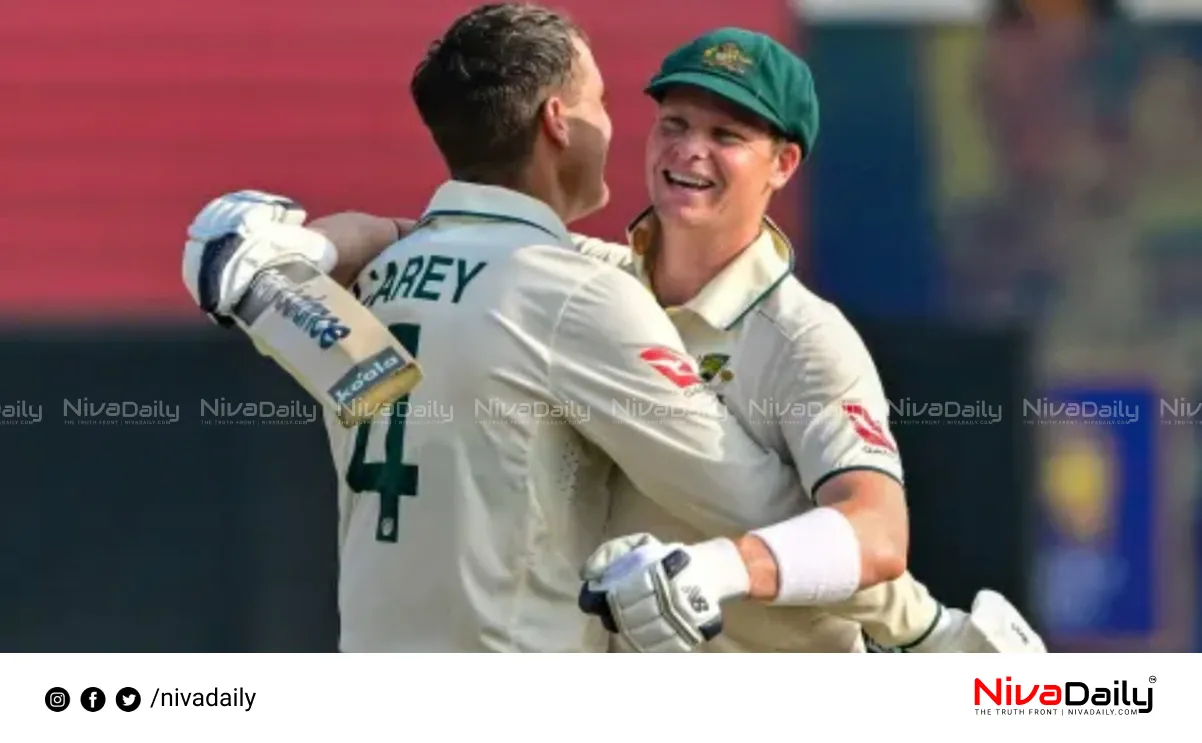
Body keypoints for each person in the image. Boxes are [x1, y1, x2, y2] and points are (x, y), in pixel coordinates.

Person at [185, 18, 1044, 652]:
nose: (688, 151)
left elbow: (874, 534)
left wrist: (729, 571)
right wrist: (317, 244)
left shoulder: (806, 339)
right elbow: (443, 234)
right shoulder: (585, 278)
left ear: (784, 164)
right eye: (674, 121)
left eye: (727, 135)